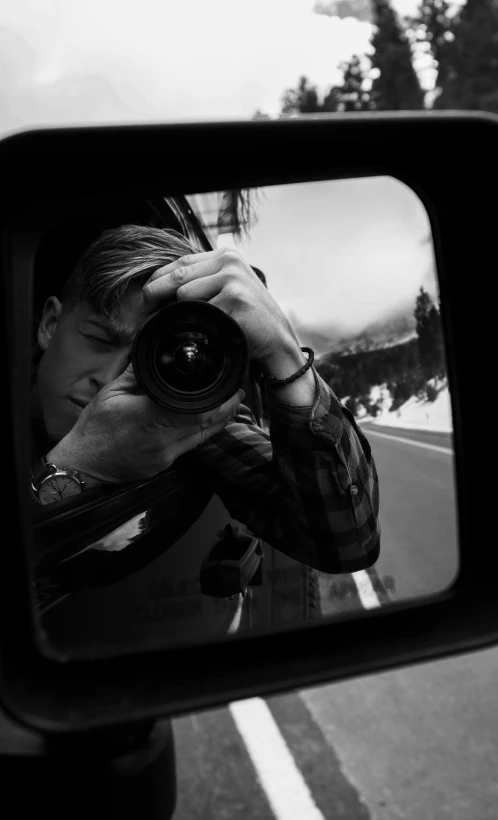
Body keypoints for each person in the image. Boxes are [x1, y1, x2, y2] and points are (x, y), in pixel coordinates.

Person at [30, 224, 380, 620]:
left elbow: (346, 542)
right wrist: (85, 462)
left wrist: (285, 356)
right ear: (49, 324)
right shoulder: (163, 419)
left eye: (145, 360)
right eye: (98, 338)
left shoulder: (180, 423)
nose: (111, 379)